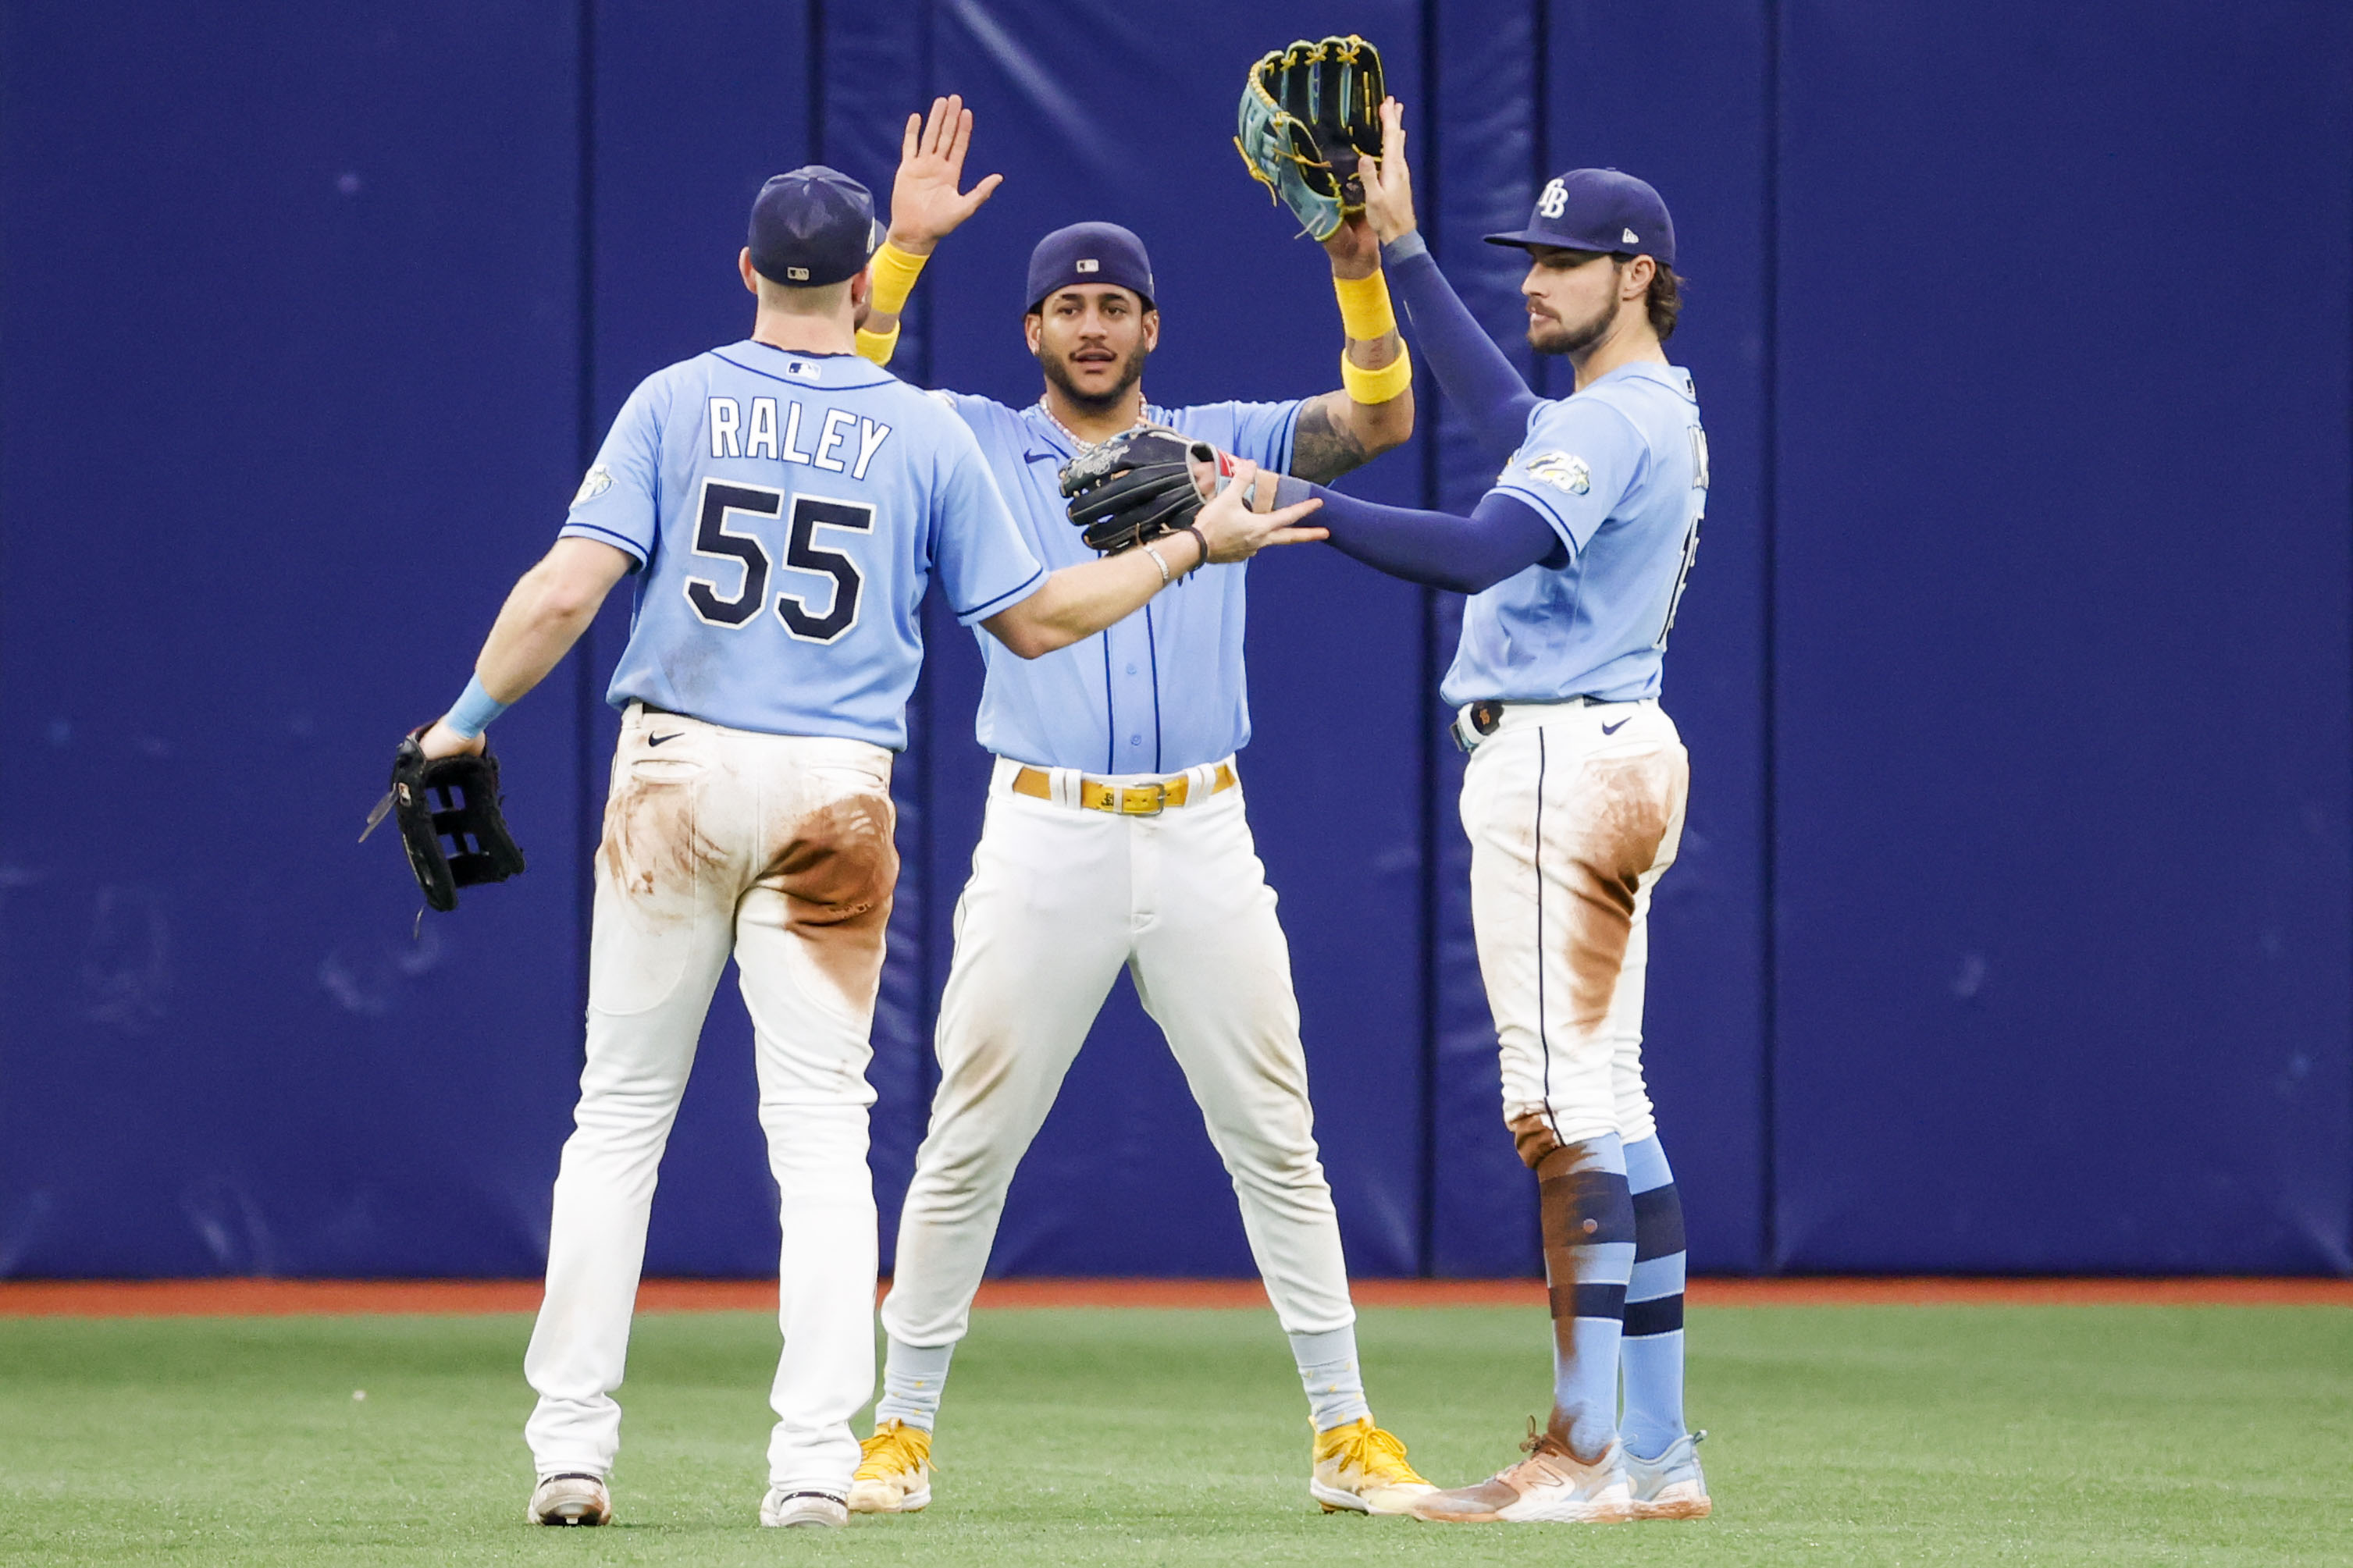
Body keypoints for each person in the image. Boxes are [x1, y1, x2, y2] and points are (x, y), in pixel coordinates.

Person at [408, 130, 1322, 1533]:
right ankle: (814, 1463)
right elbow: (1037, 619)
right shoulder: (918, 427)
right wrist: (1193, 544)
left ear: (747, 271)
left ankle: (574, 1450)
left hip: (676, 773)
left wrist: (461, 719)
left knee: (616, 1124)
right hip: (835, 789)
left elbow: (563, 592)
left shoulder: (675, 397)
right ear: (855, 283)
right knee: (824, 1138)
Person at [831, 98, 1435, 1516]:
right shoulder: (969, 439)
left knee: (1274, 1131)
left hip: (1202, 826)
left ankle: (1346, 1432)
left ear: (1152, 328)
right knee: (968, 1134)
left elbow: (1382, 416)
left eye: (1115, 305)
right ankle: (897, 1429)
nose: (1092, 326)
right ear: (1030, 329)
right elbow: (842, 411)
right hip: (1043, 824)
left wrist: (1356, 261)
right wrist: (902, 255)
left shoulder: (1222, 441)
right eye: (1067, 306)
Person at [1194, 100, 1712, 1524]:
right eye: (1528, 254)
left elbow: (1485, 541)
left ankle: (1582, 1451)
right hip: (1613, 744)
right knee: (1618, 1103)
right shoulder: (1634, 411)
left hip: (1557, 761)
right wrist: (1405, 251)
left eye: (1563, 259)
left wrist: (1277, 494)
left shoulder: (1615, 418)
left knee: (1559, 1111)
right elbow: (1505, 422)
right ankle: (1657, 1454)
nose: (1535, 277)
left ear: (1635, 276)